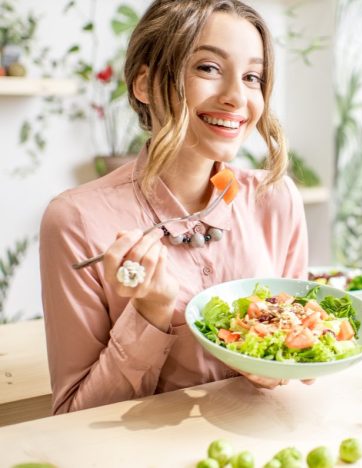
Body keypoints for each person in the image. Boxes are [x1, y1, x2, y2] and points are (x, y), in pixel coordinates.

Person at [39, 0, 309, 415]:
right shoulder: (76, 221)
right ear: (144, 84)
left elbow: (306, 359)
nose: (237, 97)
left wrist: (282, 361)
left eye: (253, 76)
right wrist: (149, 312)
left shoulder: (275, 199)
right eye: (208, 68)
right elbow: (73, 418)